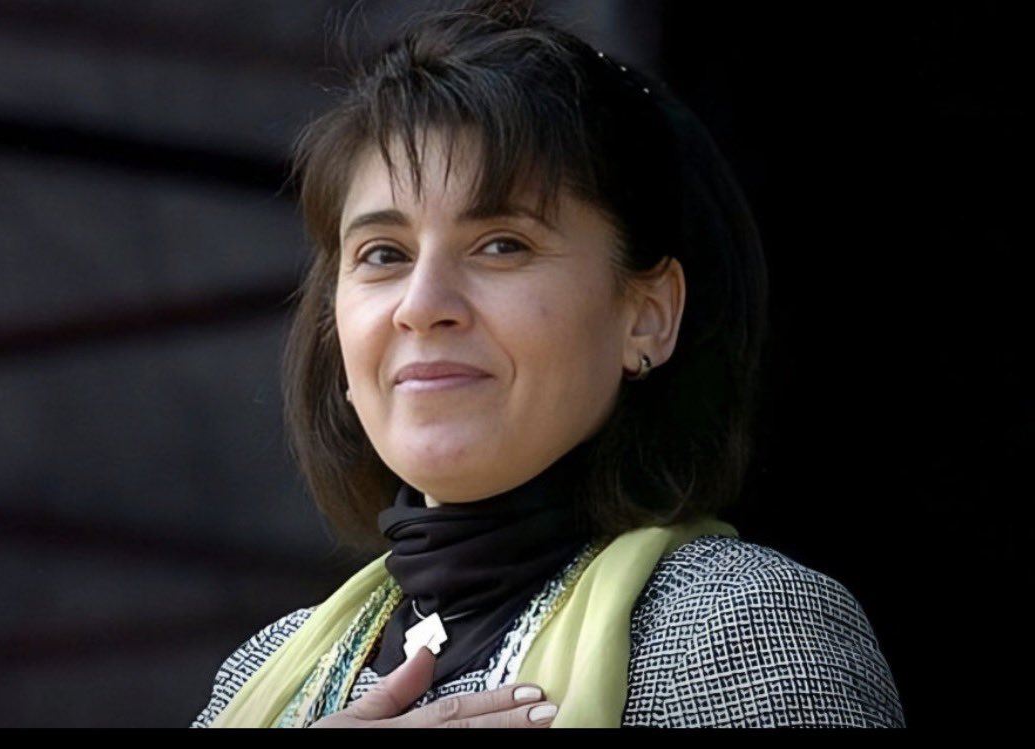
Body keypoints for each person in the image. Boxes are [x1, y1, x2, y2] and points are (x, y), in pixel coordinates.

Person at [192, 0, 904, 728]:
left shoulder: (740, 632)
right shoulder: (256, 673)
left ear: (646, 315)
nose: (421, 305)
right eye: (384, 255)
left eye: (503, 244)